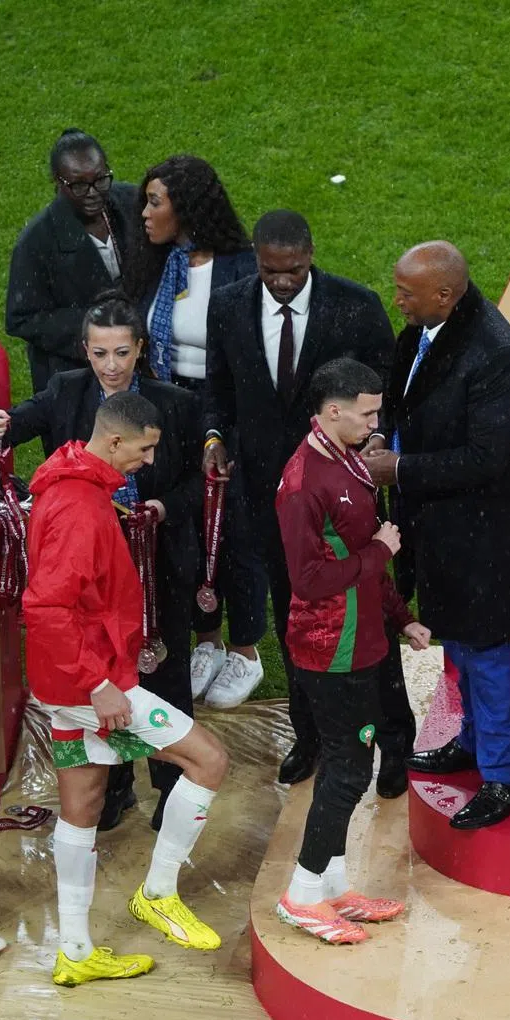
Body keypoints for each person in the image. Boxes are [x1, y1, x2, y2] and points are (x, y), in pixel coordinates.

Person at [22, 392, 230, 986]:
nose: (147, 460)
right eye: (144, 448)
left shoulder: (70, 485)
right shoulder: (81, 508)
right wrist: (99, 686)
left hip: (66, 682)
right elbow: (47, 607)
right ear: (114, 441)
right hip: (89, 687)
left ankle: (78, 952)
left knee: (82, 805)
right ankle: (158, 893)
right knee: (208, 761)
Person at [0, 293, 202, 832]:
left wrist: (164, 506)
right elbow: (11, 427)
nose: (111, 365)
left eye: (122, 352)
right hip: (90, 570)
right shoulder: (66, 392)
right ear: (85, 350)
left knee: (164, 667)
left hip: (160, 561)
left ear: (140, 349)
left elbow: (205, 481)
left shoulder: (175, 403)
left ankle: (172, 791)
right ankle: (115, 788)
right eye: (100, 353)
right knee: (104, 672)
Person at [203, 210, 406, 789]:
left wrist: (375, 437)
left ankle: (392, 744)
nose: (283, 280)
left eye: (293, 269)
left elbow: (386, 392)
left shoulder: (356, 305)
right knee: (296, 615)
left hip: (349, 492)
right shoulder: (230, 306)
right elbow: (218, 388)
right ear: (256, 258)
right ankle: (309, 734)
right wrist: (216, 436)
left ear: (311, 254)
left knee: (369, 612)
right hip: (274, 496)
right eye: (271, 270)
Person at [365, 241, 510, 830]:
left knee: (486, 650)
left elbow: (487, 458)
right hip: (445, 528)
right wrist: (384, 437)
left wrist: (401, 469)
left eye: (406, 292)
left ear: (445, 294)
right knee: (462, 645)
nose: (396, 300)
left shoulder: (497, 356)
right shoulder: (425, 329)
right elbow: (404, 402)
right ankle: (472, 744)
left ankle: (505, 777)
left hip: (486, 536)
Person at [274, 359, 430, 942]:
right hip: (329, 651)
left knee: (353, 766)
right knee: (345, 770)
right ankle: (300, 894)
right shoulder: (303, 483)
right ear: (332, 411)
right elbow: (310, 580)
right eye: (367, 412)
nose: (376, 420)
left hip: (363, 640)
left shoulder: (344, 461)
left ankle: (333, 888)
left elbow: (362, 551)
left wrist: (402, 618)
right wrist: (381, 554)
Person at [124, 154, 265, 710]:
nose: (144, 212)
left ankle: (245, 647)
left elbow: (248, 358)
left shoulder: (239, 267)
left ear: (186, 207)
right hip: (166, 407)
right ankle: (205, 637)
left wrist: (223, 428)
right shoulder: (155, 262)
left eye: (155, 201)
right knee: (183, 526)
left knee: (234, 532)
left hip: (224, 407)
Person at [6, 129, 137, 452]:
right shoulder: (37, 241)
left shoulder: (130, 204)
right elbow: (21, 318)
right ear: (58, 182)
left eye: (101, 180)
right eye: (79, 185)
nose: (93, 192)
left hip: (131, 365)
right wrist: (98, 330)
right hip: (74, 374)